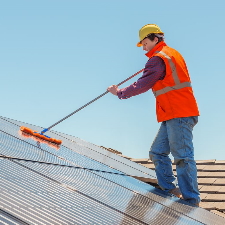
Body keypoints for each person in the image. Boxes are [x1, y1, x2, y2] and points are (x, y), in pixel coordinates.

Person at [107, 24, 200, 206]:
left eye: (145, 43)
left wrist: (119, 92)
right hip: (173, 113)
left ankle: (191, 200)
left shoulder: (158, 59)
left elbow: (142, 84)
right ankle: (170, 190)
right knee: (157, 152)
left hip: (178, 113)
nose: (143, 47)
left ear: (155, 39)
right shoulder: (170, 54)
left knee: (182, 156)